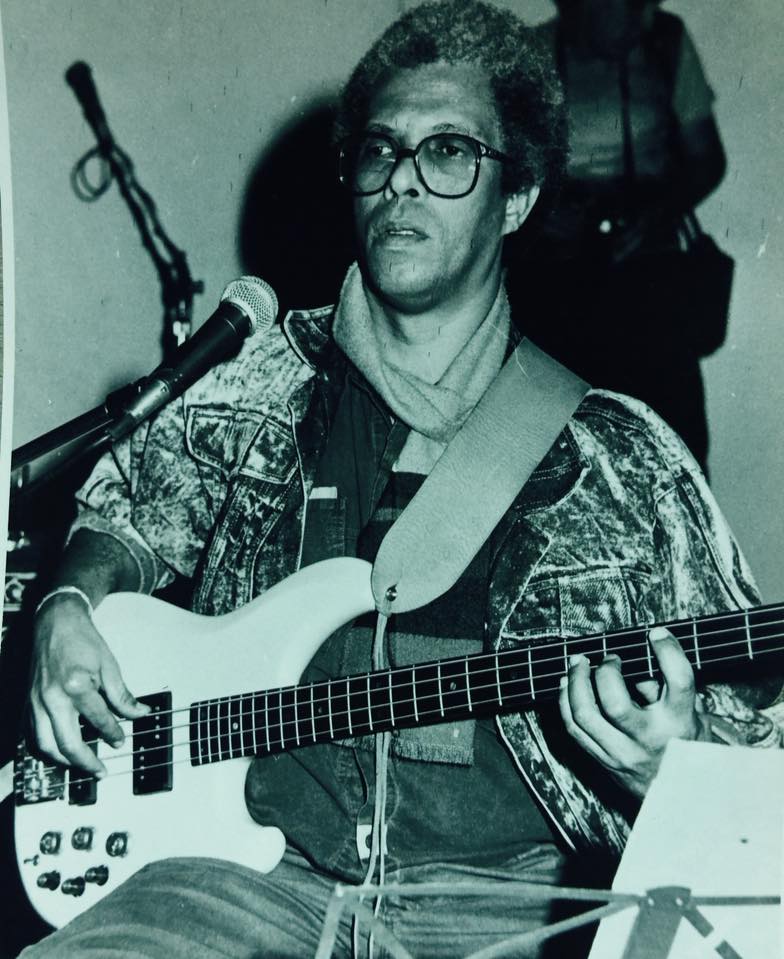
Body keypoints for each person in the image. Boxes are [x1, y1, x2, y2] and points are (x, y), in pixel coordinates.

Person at [21, 2, 779, 957]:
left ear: (517, 198)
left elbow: (755, 750)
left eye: (449, 151)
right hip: (243, 881)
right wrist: (68, 605)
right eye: (379, 151)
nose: (402, 181)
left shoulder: (624, 463)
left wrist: (667, 770)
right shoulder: (257, 383)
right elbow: (127, 510)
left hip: (509, 904)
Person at [505, 0, 731, 475]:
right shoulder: (533, 55)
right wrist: (542, 211)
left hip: (648, 276)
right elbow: (501, 166)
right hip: (557, 280)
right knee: (556, 451)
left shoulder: (666, 42)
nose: (642, 17)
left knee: (672, 448)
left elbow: (707, 159)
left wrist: (654, 214)